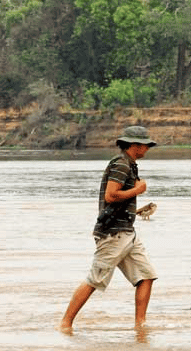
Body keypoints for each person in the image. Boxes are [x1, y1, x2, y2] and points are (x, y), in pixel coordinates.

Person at [60, 126, 159, 333]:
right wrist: (138, 190)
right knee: (95, 279)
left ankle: (140, 326)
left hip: (127, 232)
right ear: (134, 145)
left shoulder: (129, 165)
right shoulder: (121, 165)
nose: (147, 149)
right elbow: (110, 195)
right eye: (145, 145)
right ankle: (65, 324)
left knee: (146, 276)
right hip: (113, 233)